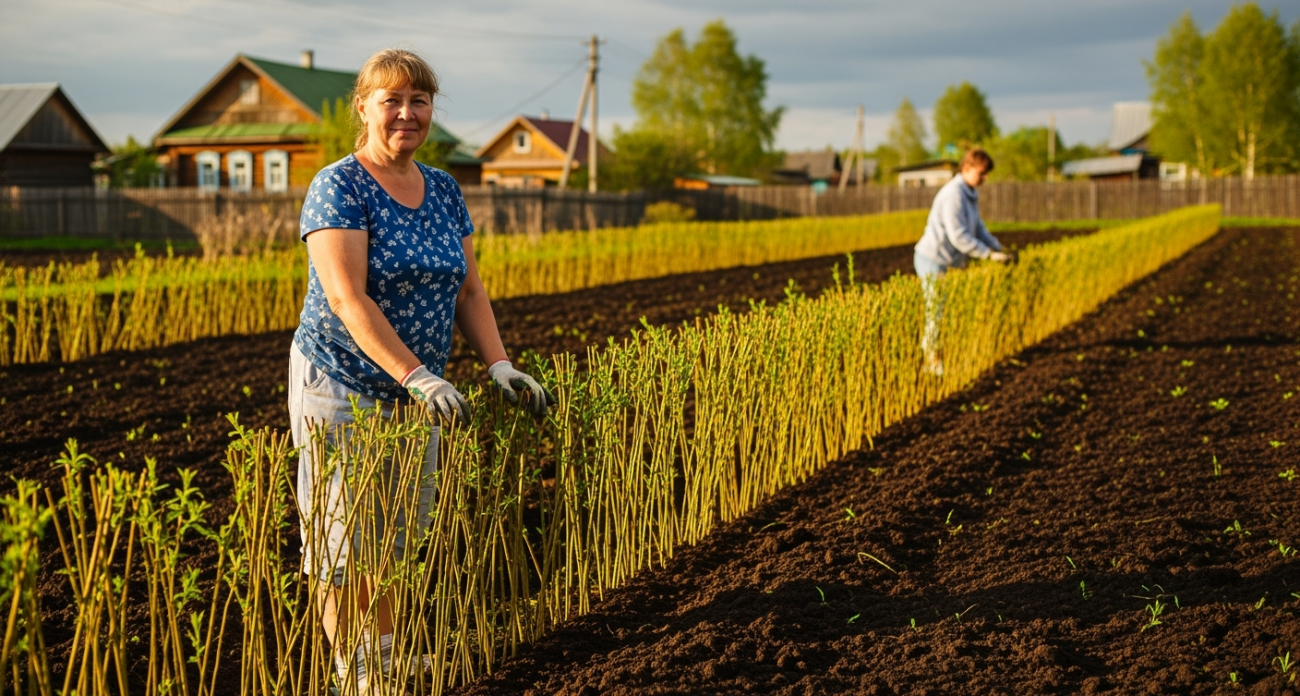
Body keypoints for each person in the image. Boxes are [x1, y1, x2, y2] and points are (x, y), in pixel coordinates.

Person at [287, 48, 552, 694]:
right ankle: (356, 669)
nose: (407, 114)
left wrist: (498, 365)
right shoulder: (339, 185)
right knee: (346, 534)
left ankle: (386, 651)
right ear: (364, 107)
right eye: (392, 101)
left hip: (417, 392)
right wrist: (417, 375)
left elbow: (469, 291)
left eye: (420, 101)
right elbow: (350, 299)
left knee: (400, 528)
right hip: (344, 382)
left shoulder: (444, 189)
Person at [912, 148, 1014, 376]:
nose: (985, 178)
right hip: (933, 258)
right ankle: (931, 361)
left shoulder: (969, 193)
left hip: (950, 260)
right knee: (935, 309)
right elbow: (957, 235)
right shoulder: (953, 194)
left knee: (947, 308)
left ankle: (944, 354)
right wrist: (988, 255)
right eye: (982, 172)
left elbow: (978, 229)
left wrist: (998, 248)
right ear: (967, 168)